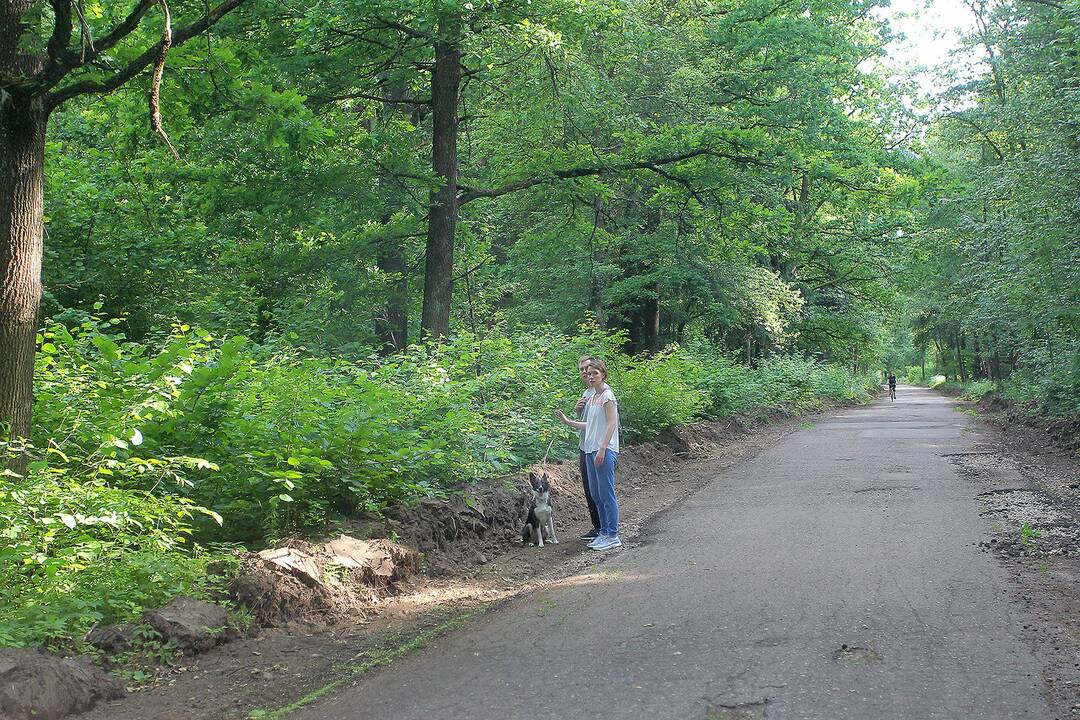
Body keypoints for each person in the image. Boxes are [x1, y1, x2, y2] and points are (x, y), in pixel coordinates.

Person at [556, 359, 621, 551]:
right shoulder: (593, 397)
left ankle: (612, 534)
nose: (591, 376)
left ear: (603, 375)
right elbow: (589, 425)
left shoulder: (608, 396)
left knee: (606, 493)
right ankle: (603, 531)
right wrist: (567, 421)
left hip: (604, 450)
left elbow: (611, 423)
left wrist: (602, 448)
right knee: (596, 494)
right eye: (589, 374)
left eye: (595, 373)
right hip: (591, 450)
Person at [573, 356, 602, 541]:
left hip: (597, 447)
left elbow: (603, 423)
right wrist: (577, 411)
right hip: (584, 445)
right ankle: (597, 526)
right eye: (582, 370)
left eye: (588, 369)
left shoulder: (601, 393)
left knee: (600, 489)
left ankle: (606, 527)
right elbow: (585, 421)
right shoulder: (585, 394)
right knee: (589, 488)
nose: (585, 373)